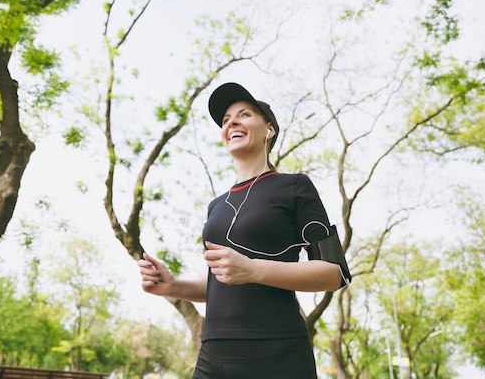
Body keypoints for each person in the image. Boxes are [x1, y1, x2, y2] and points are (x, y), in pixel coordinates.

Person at [137, 82, 351, 379]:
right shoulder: (216, 207)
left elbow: (334, 273)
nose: (232, 122)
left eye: (244, 114)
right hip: (213, 354)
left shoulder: (295, 187)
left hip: (277, 353)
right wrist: (174, 287)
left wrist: (253, 269)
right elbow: (222, 284)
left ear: (269, 130)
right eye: (226, 120)